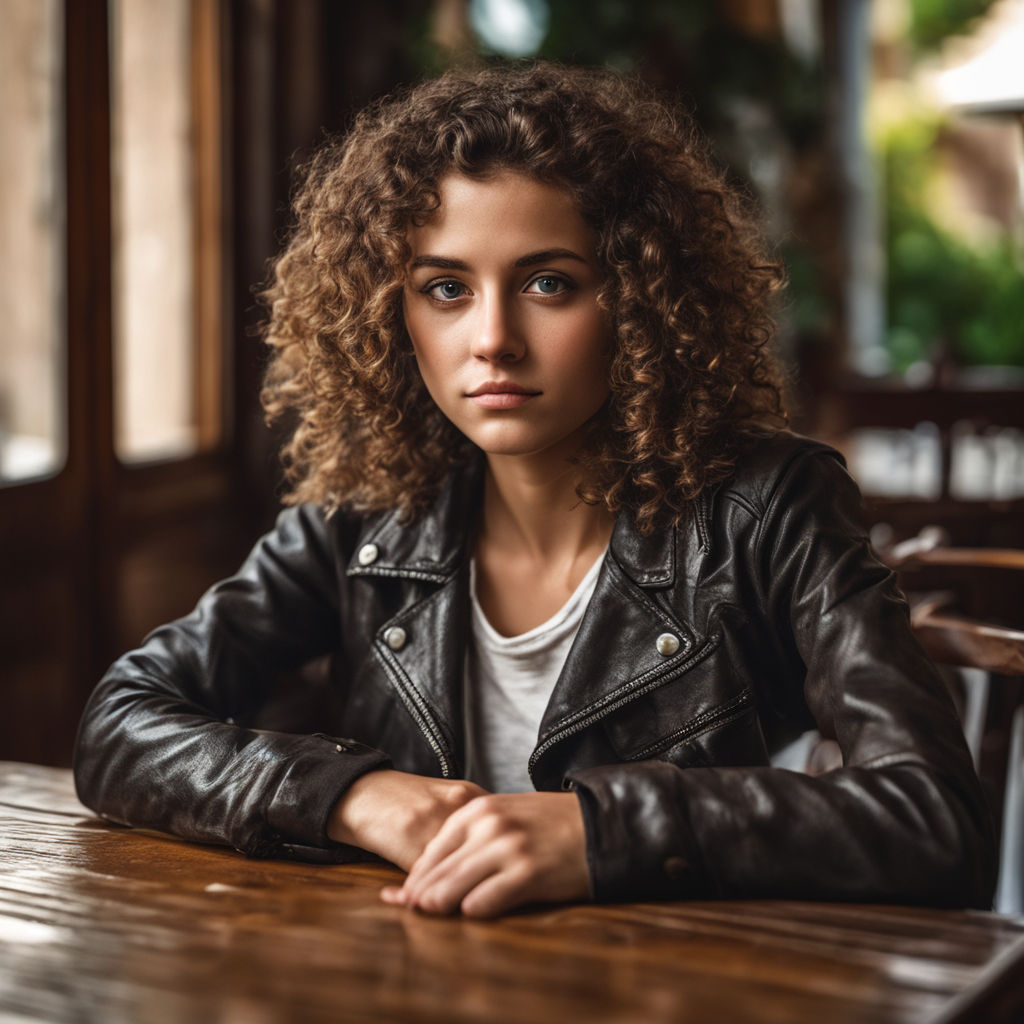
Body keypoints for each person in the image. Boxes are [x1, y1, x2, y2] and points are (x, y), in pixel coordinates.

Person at [73, 61, 995, 919]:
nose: (493, 339)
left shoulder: (772, 504)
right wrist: (348, 795)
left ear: (639, 299)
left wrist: (608, 831)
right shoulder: (360, 519)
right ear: (391, 313)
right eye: (445, 289)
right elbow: (121, 724)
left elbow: (933, 818)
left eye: (549, 283)